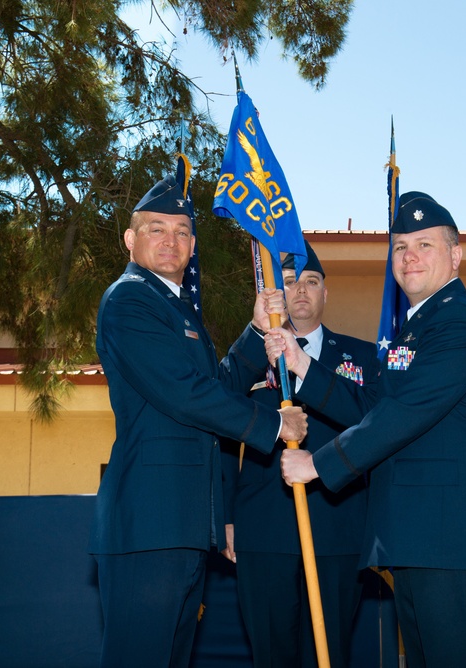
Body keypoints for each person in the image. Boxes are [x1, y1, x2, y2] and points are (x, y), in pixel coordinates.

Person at [269, 192, 466, 668]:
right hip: (421, 541)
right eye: (401, 246)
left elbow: (403, 412)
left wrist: (318, 465)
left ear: (456, 255)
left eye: (424, 245)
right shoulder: (418, 327)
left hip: (454, 544)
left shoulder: (459, 323)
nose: (409, 257)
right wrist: (303, 364)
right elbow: (372, 403)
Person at [89, 173, 308, 668]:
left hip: (182, 525)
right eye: (157, 228)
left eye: (182, 231)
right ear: (130, 239)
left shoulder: (176, 308)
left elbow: (216, 386)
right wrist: (274, 426)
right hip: (149, 526)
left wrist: (255, 330)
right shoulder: (129, 300)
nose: (171, 240)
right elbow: (184, 395)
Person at [222, 241, 378, 668]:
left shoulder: (364, 358)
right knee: (270, 654)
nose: (302, 291)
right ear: (277, 293)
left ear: (326, 293)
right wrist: (226, 515)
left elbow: (377, 429)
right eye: (291, 282)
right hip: (263, 527)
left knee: (329, 653)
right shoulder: (252, 353)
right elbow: (218, 430)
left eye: (312, 282)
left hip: (337, 526)